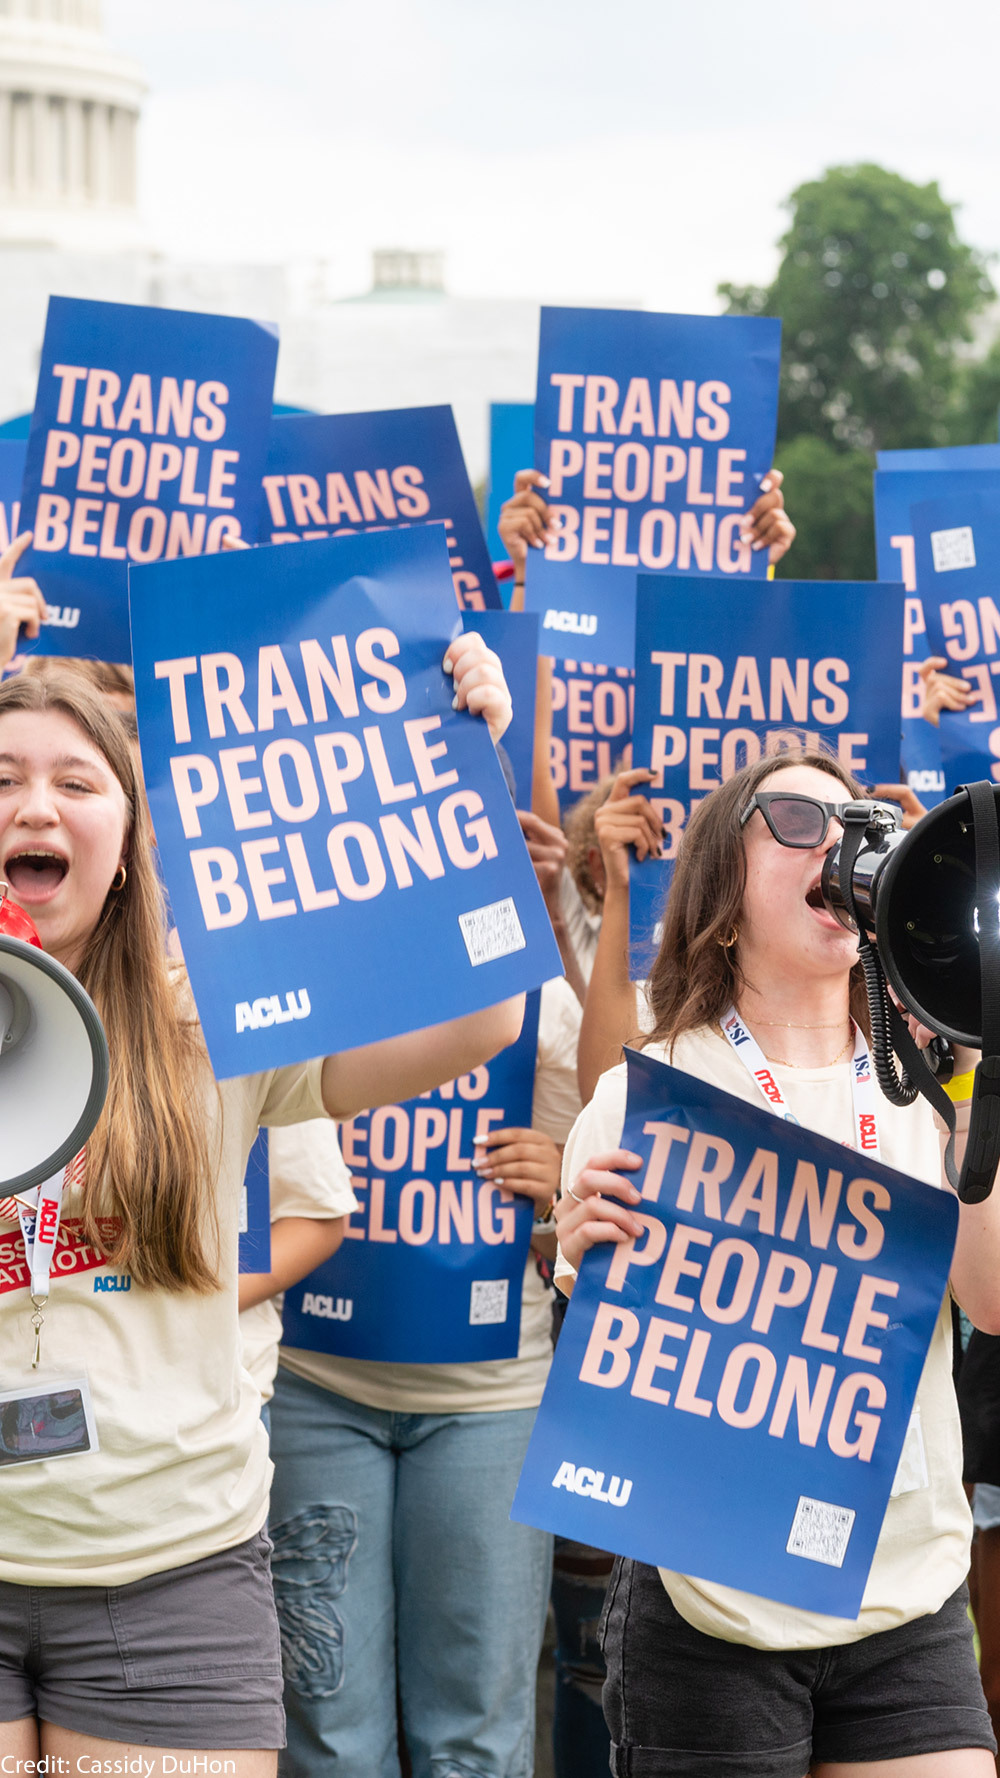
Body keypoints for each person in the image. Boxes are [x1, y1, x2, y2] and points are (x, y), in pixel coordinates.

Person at [0, 641, 522, 1774]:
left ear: (133, 843)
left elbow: (479, 1025)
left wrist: (467, 780)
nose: (35, 803)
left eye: (77, 782)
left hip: (171, 1578)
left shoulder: (217, 1027)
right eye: (1, 781)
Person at [555, 748, 1000, 1778]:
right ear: (720, 888)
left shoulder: (931, 1084)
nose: (840, 842)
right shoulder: (648, 1093)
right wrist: (581, 1253)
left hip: (904, 1596)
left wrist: (975, 1063)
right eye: (797, 819)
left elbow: (991, 1297)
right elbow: (613, 1361)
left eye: (860, 822)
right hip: (712, 1607)